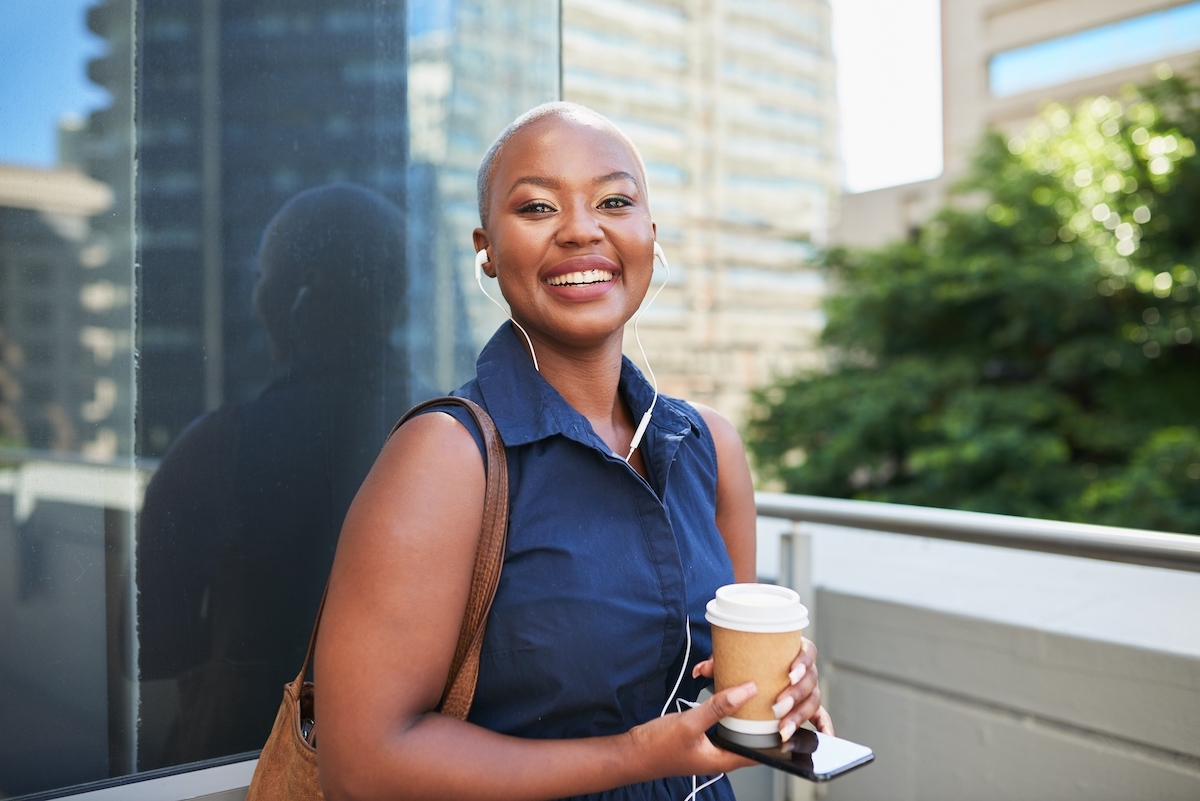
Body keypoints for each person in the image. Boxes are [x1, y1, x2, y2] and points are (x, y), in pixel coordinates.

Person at [314, 103, 831, 800]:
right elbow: (364, 765)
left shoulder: (708, 446)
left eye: (615, 200)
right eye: (536, 207)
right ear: (487, 248)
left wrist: (779, 689)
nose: (582, 228)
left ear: (650, 230)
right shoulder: (446, 455)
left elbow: (710, 673)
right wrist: (635, 754)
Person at [137, 184, 409, 767]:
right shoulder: (465, 438)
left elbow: (150, 651)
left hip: (255, 766)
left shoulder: (214, 450)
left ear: (300, 293)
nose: (255, 298)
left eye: (263, 278)